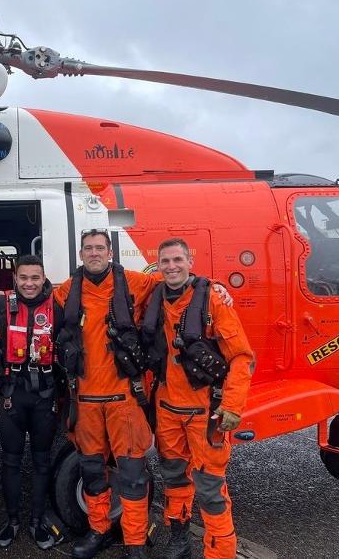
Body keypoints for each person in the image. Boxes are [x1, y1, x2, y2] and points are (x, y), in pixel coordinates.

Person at [141, 238, 253, 559]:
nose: (172, 267)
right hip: (166, 409)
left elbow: (242, 357)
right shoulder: (154, 295)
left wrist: (232, 405)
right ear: (158, 265)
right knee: (174, 478)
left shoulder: (212, 299)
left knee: (211, 489)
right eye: (165, 261)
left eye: (178, 260)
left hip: (205, 412)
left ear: (190, 261)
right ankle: (180, 541)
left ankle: (219, 554)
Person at [54, 229, 159, 559]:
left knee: (131, 476)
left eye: (100, 248)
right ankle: (98, 530)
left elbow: (176, 284)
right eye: (89, 248)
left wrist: (210, 287)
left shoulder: (135, 283)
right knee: (92, 473)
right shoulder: (67, 290)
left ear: (110, 251)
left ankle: (135, 541)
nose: (94, 253)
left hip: (123, 401)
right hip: (85, 402)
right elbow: (33, 299)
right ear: (81, 253)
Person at [0, 254, 64, 550]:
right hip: (12, 396)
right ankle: (13, 520)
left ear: (44, 279)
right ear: (14, 279)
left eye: (35, 278)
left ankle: (37, 521)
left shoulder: (58, 307)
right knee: (10, 461)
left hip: (44, 396)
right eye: (23, 278)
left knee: (42, 462)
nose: (29, 284)